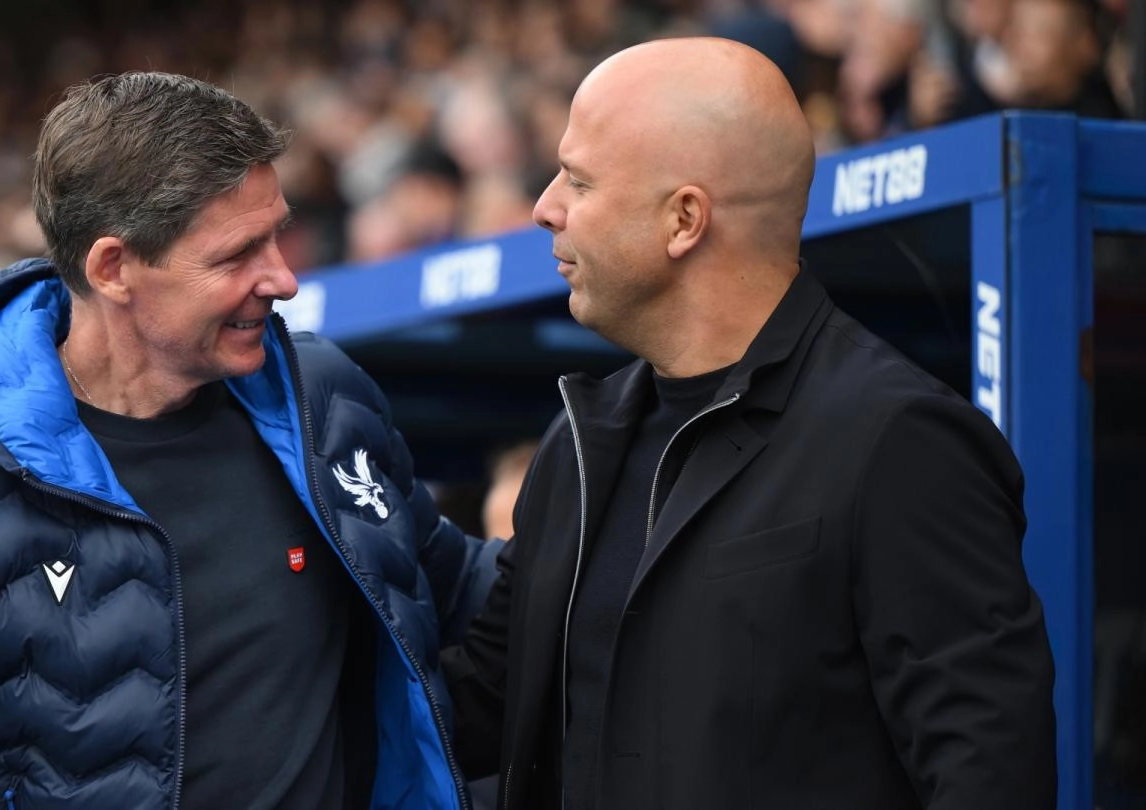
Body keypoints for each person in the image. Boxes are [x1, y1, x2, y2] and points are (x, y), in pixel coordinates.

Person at [0, 72, 499, 810]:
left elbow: (453, 589)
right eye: (236, 255)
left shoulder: (322, 396)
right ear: (113, 268)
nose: (281, 279)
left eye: (276, 235)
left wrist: (601, 506)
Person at [443, 37, 1057, 809]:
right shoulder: (578, 450)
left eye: (579, 178)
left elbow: (988, 777)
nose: (545, 207)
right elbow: (468, 709)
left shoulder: (898, 441)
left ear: (684, 220)